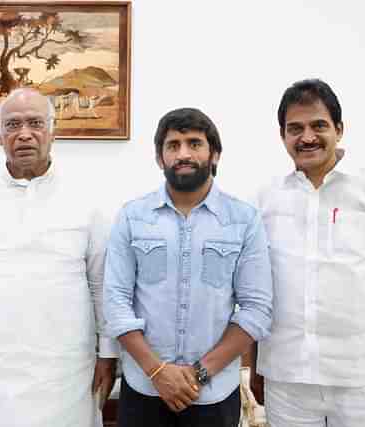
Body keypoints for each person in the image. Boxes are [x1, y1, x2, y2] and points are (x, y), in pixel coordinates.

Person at [0, 88, 118, 427]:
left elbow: (101, 283)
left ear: (53, 131)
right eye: (13, 124)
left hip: (64, 365)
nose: (25, 134)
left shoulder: (87, 201)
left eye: (35, 123)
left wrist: (108, 352)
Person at [250, 79, 365, 427]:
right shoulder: (265, 200)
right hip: (286, 373)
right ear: (282, 136)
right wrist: (255, 366)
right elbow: (253, 289)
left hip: (360, 375)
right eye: (295, 128)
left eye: (318, 125)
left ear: (339, 129)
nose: (307, 137)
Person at [104, 108, 273, 427]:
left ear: (215, 155)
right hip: (144, 389)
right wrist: (157, 371)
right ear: (159, 158)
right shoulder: (132, 217)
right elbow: (115, 304)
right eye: (173, 145)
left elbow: (256, 309)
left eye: (194, 143)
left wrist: (199, 373)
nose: (183, 153)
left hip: (214, 394)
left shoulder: (243, 220)